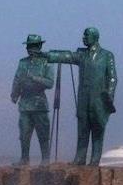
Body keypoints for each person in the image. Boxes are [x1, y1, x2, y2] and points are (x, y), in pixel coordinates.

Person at [46, 27, 117, 166]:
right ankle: (80, 158)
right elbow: (66, 56)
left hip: (99, 100)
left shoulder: (107, 55)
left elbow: (113, 78)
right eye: (83, 35)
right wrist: (46, 55)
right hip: (84, 100)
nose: (83, 38)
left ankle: (95, 160)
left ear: (95, 37)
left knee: (98, 130)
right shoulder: (82, 55)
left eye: (86, 35)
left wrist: (109, 96)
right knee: (82, 130)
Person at [10, 34, 54, 165]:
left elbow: (50, 83)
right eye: (29, 46)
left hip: (39, 103)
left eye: (33, 46)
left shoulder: (46, 62)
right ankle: (24, 159)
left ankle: (45, 159)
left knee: (43, 134)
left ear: (39, 46)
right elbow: (17, 79)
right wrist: (14, 94)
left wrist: (35, 78)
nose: (30, 48)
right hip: (25, 103)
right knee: (24, 134)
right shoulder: (23, 62)